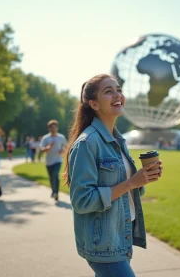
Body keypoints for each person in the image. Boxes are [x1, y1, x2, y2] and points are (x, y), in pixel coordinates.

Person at [62, 74, 163, 277]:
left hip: (120, 237)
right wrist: (131, 183)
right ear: (93, 104)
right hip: (103, 245)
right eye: (109, 91)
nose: (118, 95)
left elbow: (127, 189)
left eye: (119, 90)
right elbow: (82, 201)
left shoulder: (117, 140)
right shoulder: (87, 143)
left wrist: (143, 178)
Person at [40, 120, 67, 201]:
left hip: (58, 160)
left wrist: (62, 151)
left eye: (55, 127)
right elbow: (41, 149)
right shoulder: (46, 138)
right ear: (49, 129)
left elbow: (66, 147)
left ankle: (56, 193)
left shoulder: (61, 137)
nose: (54, 129)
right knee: (51, 177)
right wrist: (48, 147)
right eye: (52, 127)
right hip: (48, 161)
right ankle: (53, 190)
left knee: (56, 175)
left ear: (57, 128)